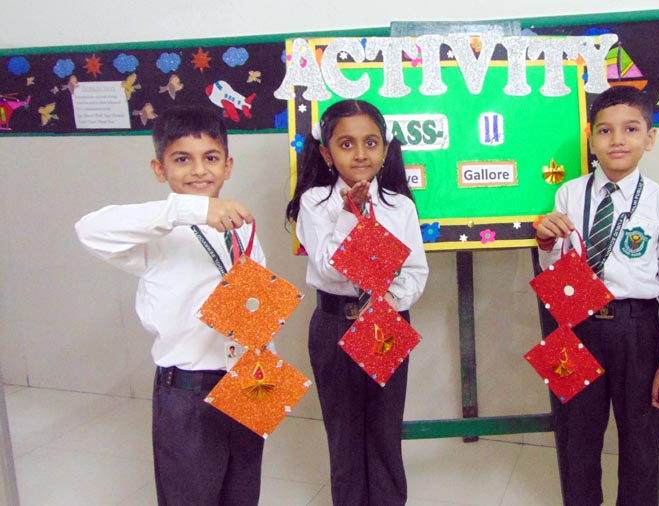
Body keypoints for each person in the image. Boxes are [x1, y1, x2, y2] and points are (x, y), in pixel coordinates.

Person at [75, 105, 265, 506]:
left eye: (210, 158)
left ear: (228, 166)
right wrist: (191, 210)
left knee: (242, 493)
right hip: (187, 392)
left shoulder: (241, 224)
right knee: (190, 497)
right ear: (159, 169)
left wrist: (266, 379)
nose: (198, 170)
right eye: (182, 160)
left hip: (246, 379)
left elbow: (257, 304)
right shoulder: (156, 231)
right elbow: (89, 229)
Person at [535, 86, 659, 506]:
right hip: (577, 327)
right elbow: (556, 273)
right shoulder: (569, 194)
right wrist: (546, 245)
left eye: (631, 129)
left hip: (637, 329)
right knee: (576, 437)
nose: (617, 140)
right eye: (605, 130)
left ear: (650, 138)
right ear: (591, 138)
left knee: (641, 441)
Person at [285, 99, 428, 506]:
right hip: (335, 324)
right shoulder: (315, 203)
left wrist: (391, 299)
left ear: (385, 149)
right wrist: (351, 213)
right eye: (346, 144)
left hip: (387, 322)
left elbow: (415, 271)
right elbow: (330, 269)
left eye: (371, 142)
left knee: (385, 428)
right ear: (327, 154)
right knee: (344, 432)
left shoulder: (399, 206)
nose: (361, 153)